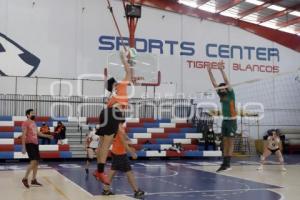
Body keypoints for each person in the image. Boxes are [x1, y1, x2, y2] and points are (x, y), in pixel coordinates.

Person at [94, 50, 132, 184]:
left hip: (105, 113)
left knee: (101, 144)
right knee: (106, 144)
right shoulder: (121, 86)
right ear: (116, 83)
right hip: (113, 114)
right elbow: (128, 72)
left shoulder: (112, 94)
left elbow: (130, 77)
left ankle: (98, 170)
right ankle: (100, 172)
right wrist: (124, 59)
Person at [102, 120, 144, 199]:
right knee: (129, 172)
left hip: (115, 152)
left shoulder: (118, 128)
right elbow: (124, 143)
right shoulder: (119, 129)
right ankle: (136, 191)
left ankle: (106, 190)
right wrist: (132, 153)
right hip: (120, 154)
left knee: (112, 172)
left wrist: (128, 139)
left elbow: (124, 137)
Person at [207, 65, 237, 172]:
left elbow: (226, 81)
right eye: (220, 88)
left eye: (223, 87)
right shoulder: (221, 95)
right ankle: (224, 164)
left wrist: (220, 69)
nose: (221, 89)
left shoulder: (231, 94)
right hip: (225, 121)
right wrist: (209, 71)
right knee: (224, 142)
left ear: (226, 88)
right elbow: (214, 83)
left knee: (230, 142)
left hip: (232, 121)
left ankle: (228, 164)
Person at [21, 109, 53, 188]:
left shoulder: (34, 123)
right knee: (33, 161)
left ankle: (33, 180)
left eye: (34, 113)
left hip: (35, 144)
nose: (34, 114)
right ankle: (25, 178)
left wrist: (47, 136)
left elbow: (38, 133)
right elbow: (23, 135)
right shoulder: (25, 123)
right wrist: (23, 147)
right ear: (28, 115)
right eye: (32, 113)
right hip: (29, 144)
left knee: (36, 162)